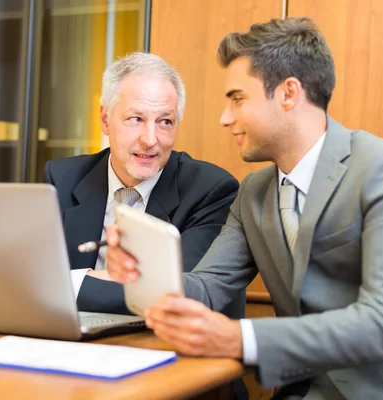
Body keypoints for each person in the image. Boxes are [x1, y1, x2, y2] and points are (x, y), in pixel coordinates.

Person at [105, 18, 383, 399]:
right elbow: (208, 288)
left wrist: (239, 336)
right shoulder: (252, 193)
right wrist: (143, 273)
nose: (225, 117)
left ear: (288, 93)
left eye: (237, 98)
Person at [44, 52, 244, 320]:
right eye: (136, 119)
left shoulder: (211, 190)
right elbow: (26, 275)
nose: (150, 140)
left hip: (158, 344)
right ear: (105, 120)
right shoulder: (62, 177)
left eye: (165, 122)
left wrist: (71, 282)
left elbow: (172, 296)